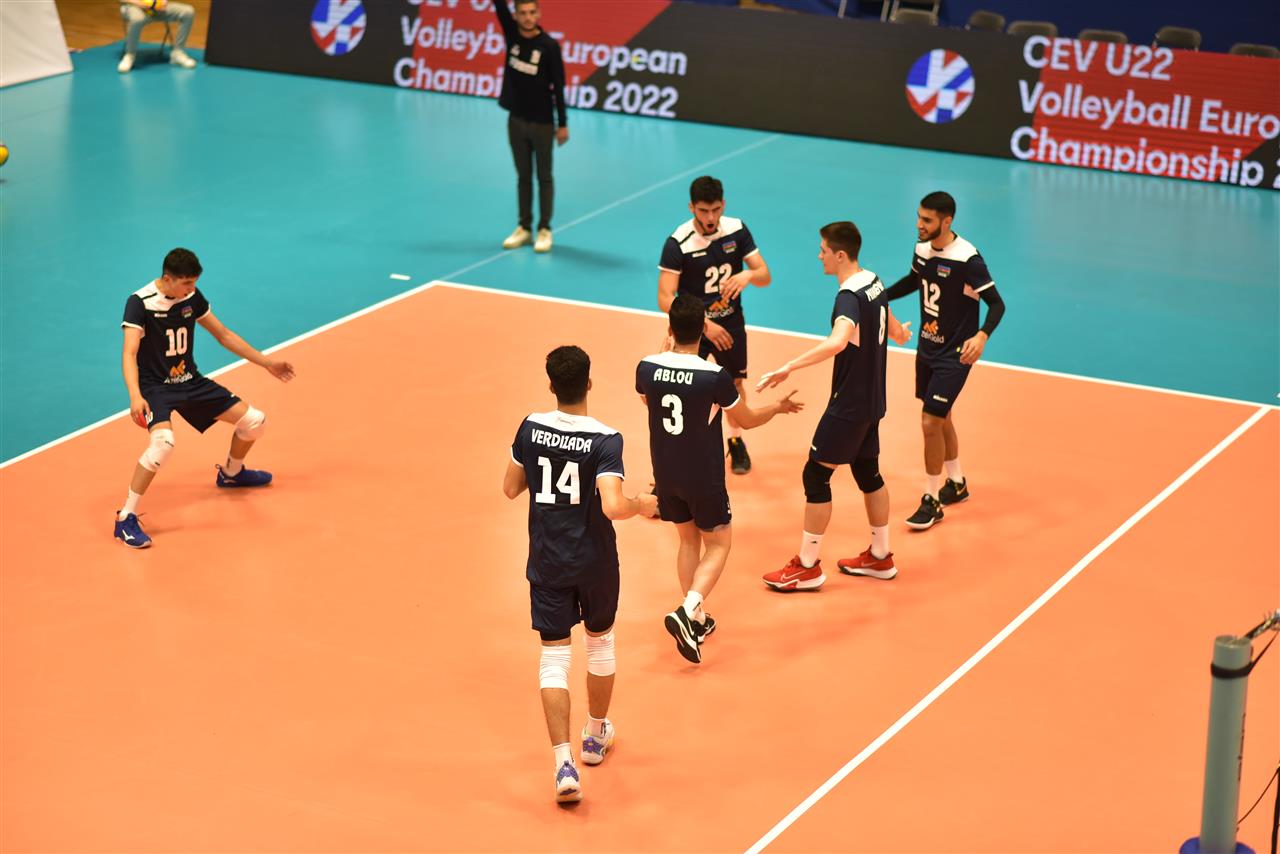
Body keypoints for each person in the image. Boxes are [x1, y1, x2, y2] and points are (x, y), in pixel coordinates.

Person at [504, 346, 657, 804]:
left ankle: (563, 764)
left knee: (553, 658)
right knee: (600, 642)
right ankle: (594, 736)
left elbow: (510, 487)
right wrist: (642, 505)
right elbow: (612, 505)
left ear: (551, 385)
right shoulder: (606, 439)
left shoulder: (530, 427)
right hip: (594, 561)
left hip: (548, 560)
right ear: (589, 383)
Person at [637, 295, 802, 663]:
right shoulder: (714, 377)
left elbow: (650, 401)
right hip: (703, 475)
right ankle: (687, 610)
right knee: (719, 542)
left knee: (687, 540)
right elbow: (745, 420)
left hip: (664, 472)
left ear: (669, 329)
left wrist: (662, 353)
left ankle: (696, 620)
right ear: (703, 331)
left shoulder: (646, 367)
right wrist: (778, 407)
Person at [758, 222, 911, 592]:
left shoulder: (848, 296)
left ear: (840, 255)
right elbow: (891, 324)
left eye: (823, 250)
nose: (819, 256)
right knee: (868, 473)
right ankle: (880, 556)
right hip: (873, 401)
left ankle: (807, 566)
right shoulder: (873, 281)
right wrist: (901, 333)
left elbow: (838, 341)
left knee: (815, 476)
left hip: (849, 406)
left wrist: (789, 366)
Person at [114, 248, 295, 549]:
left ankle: (232, 473)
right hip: (155, 388)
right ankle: (125, 518)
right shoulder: (140, 302)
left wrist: (266, 362)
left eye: (194, 283)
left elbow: (224, 335)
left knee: (255, 422)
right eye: (186, 283)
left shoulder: (191, 297)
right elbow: (129, 352)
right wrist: (135, 395)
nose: (191, 289)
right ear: (167, 278)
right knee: (163, 445)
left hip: (190, 381)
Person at [881, 191, 1006, 531]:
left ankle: (932, 499)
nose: (919, 225)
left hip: (955, 355)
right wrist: (881, 296)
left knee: (929, 421)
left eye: (927, 220)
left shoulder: (968, 259)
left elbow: (997, 304)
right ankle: (957, 483)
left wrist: (981, 337)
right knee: (942, 416)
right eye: (919, 217)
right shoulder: (922, 249)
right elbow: (915, 279)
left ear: (947, 221)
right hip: (927, 348)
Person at [657, 175, 771, 475]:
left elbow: (764, 275)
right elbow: (665, 297)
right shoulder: (678, 243)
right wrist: (705, 325)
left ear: (724, 205)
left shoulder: (736, 230)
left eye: (716, 209)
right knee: (685, 388)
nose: (710, 217)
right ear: (691, 207)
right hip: (693, 329)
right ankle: (686, 449)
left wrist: (748, 275)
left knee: (735, 385)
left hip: (731, 324)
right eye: (703, 211)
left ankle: (735, 441)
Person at [494, 0, 568, 254]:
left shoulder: (549, 46)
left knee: (544, 177)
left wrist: (562, 124)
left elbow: (558, 87)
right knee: (523, 176)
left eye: (532, 12)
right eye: (522, 13)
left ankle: (544, 229)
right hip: (516, 121)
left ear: (539, 14)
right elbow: (499, 6)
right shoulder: (512, 35)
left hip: (542, 123)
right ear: (515, 16)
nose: (527, 17)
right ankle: (524, 228)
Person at [118, 0, 199, 74]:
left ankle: (178, 53)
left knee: (188, 12)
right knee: (137, 19)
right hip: (134, 7)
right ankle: (130, 55)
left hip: (156, 7)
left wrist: (162, 2)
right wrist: (141, 3)